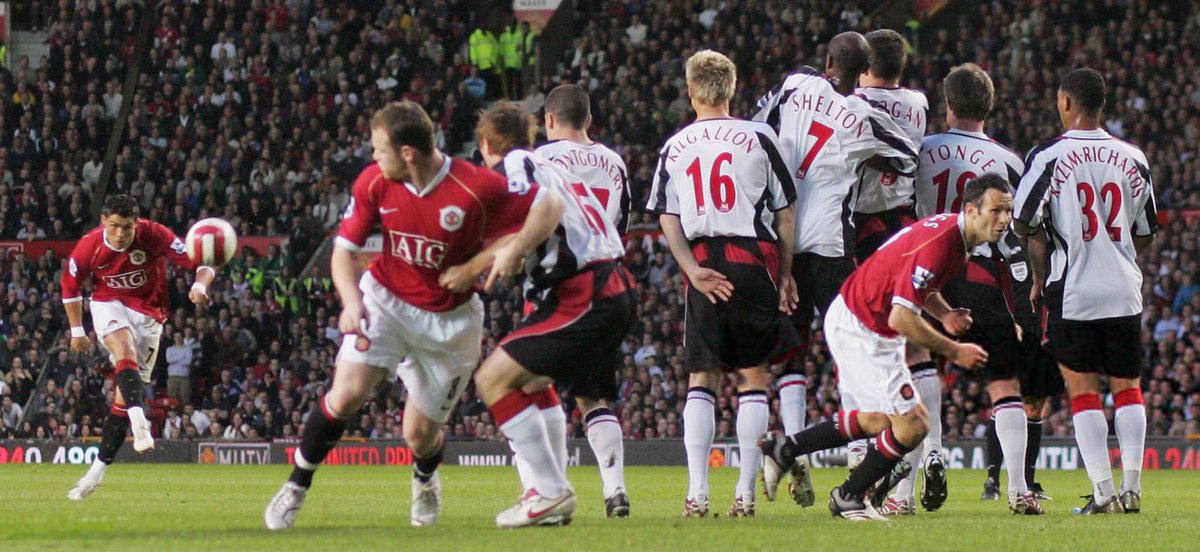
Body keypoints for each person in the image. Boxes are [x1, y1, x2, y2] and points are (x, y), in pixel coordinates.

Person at [264, 101, 548, 530]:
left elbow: (532, 220)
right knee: (345, 395)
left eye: (380, 148)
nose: (374, 156)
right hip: (386, 301)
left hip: (450, 322)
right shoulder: (375, 181)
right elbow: (344, 251)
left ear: (408, 152)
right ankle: (296, 485)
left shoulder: (476, 186)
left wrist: (474, 267)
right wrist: (351, 301)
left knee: (418, 434)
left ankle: (426, 479)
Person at [761, 174, 1010, 521]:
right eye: (996, 210)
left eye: (1008, 211)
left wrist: (946, 313)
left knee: (882, 421)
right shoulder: (943, 243)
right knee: (913, 425)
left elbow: (918, 286)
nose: (1004, 219)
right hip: (864, 325)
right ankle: (848, 496)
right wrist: (955, 350)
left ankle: (786, 449)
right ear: (971, 209)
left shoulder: (957, 237)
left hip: (864, 320)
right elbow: (901, 318)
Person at [752, 31, 918, 506]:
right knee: (853, 341)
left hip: (780, 238)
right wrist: (867, 158)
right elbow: (906, 155)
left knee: (792, 353)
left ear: (827, 60)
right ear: (863, 73)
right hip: (829, 244)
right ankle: (860, 454)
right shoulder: (861, 115)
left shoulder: (794, 86)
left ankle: (792, 447)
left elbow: (757, 128)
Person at [459, 100, 635, 528]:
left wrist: (510, 252)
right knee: (535, 381)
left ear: (486, 143)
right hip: (607, 286)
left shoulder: (516, 164)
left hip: (584, 291)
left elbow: (546, 211)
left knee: (492, 379)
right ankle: (552, 493)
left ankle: (549, 492)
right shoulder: (554, 167)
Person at [650, 50, 799, 518]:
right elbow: (785, 211)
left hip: (704, 263)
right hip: (753, 261)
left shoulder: (675, 145)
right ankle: (745, 495)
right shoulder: (760, 136)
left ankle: (697, 495)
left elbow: (667, 216)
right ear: (731, 90)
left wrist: (691, 270)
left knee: (702, 377)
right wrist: (787, 273)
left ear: (692, 91)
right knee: (753, 376)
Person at [891, 63, 1035, 516]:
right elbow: (1016, 239)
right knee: (1004, 384)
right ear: (988, 107)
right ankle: (1019, 491)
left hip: (927, 269)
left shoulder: (921, 149)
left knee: (916, 372)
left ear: (948, 104)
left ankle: (902, 494)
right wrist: (1019, 309)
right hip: (985, 276)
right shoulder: (1010, 161)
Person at [1012, 68, 1157, 515]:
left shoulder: (1049, 156)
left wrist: (1039, 274)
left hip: (1074, 288)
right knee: (1129, 388)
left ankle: (1103, 493)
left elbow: (1023, 221)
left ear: (1065, 102)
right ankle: (1132, 488)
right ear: (1103, 104)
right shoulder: (1134, 157)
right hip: (1124, 288)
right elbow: (1146, 231)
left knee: (1085, 392)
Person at [64, 194, 216, 500]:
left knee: (119, 402)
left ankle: (95, 473)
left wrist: (200, 285)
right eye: (115, 226)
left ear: (137, 223)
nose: (121, 234)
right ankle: (139, 418)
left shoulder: (154, 234)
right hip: (108, 302)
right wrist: (77, 330)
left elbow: (203, 262)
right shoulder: (88, 247)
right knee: (124, 349)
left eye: (128, 227)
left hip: (150, 315)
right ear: (104, 222)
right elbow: (70, 287)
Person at [531, 83, 632, 517]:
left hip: (557, 284)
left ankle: (542, 491)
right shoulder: (614, 163)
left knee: (530, 387)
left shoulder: (539, 160)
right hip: (604, 283)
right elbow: (620, 229)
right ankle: (615, 491)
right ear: (588, 120)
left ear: (549, 120)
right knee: (594, 398)